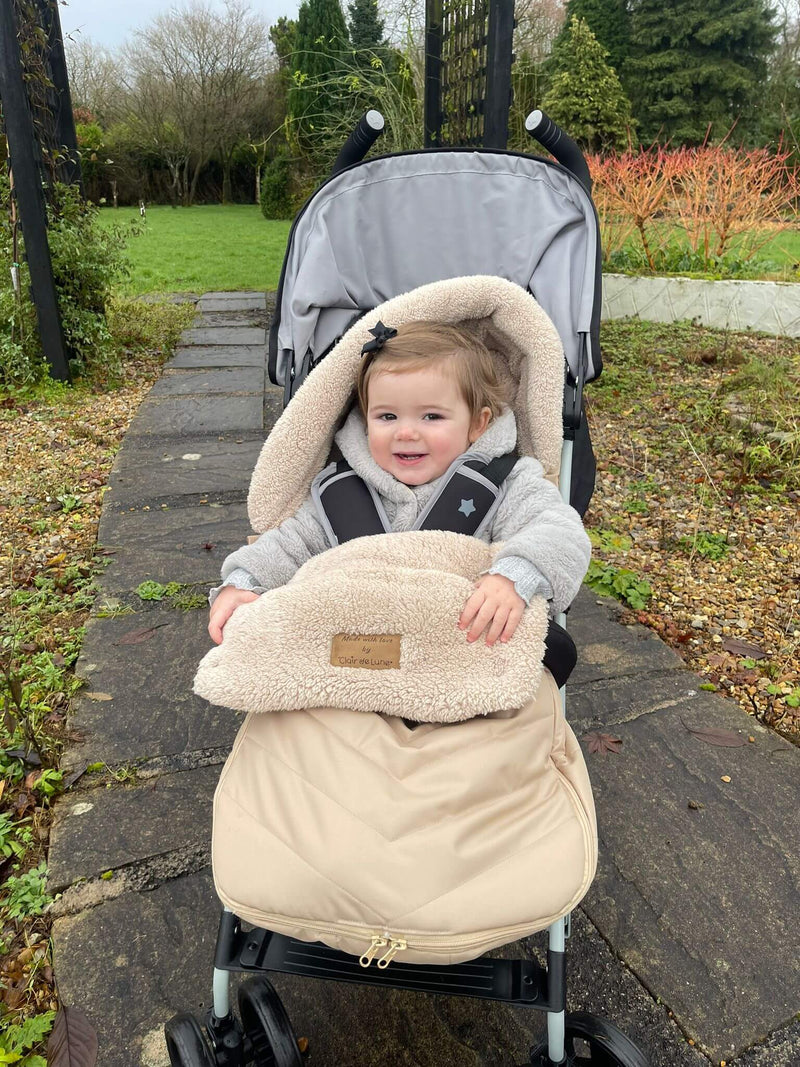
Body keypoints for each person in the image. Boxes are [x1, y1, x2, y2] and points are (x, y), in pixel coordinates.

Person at [208, 321, 591, 647]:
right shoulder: (341, 492)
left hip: (458, 653)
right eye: (387, 416)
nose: (406, 432)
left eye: (431, 416)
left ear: (477, 423)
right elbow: (290, 546)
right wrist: (243, 582)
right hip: (352, 657)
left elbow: (559, 532)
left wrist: (514, 576)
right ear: (364, 419)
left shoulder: (505, 483)